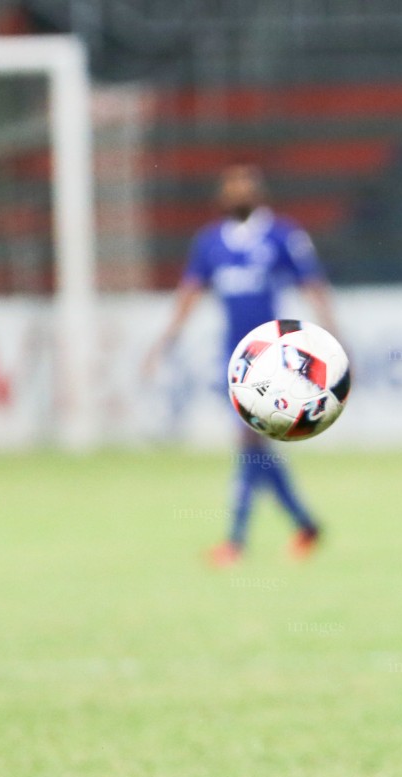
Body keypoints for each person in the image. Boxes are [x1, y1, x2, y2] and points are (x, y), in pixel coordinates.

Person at [145, 164, 338, 566]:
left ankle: (235, 541)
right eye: (231, 188)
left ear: (259, 193)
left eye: (245, 187)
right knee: (256, 445)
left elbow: (312, 286)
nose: (237, 194)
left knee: (250, 442)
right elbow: (190, 294)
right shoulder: (211, 242)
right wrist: (164, 343)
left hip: (276, 360)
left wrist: (336, 341)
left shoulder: (283, 235)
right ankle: (305, 525)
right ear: (222, 197)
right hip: (233, 361)